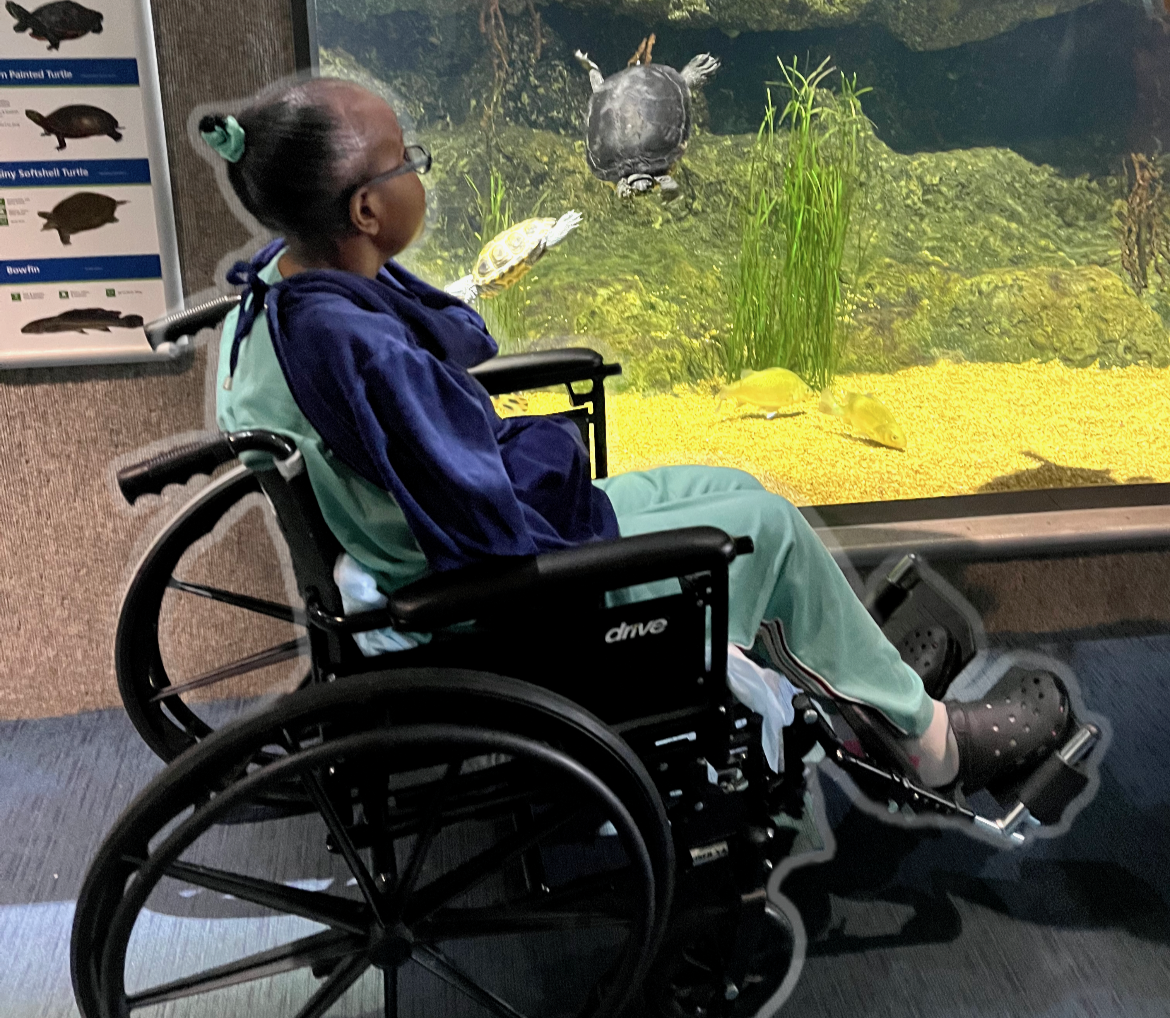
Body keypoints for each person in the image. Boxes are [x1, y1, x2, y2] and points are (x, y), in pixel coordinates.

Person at [204, 75, 1072, 795]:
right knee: (756, 527)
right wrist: (540, 462)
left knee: (741, 483)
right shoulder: (355, 344)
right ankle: (931, 743)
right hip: (503, 589)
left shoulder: (282, 295)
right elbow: (481, 529)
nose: (418, 177)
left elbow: (444, 441)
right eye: (409, 162)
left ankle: (856, 672)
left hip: (453, 539)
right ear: (364, 209)